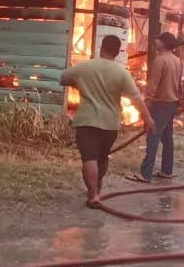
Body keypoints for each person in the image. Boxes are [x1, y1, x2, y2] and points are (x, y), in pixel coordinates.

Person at [60, 34, 153, 207]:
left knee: (89, 158)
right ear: (118, 53)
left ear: (101, 48)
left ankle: (93, 194)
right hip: (110, 123)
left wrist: (81, 83)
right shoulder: (121, 72)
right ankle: (97, 187)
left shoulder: (85, 67)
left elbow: (63, 78)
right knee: (102, 158)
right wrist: (147, 118)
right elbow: (135, 97)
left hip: (87, 121)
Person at [129, 32, 182, 183]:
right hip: (172, 103)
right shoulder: (177, 60)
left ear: (163, 43)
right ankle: (166, 170)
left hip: (160, 105)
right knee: (167, 138)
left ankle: (146, 173)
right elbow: (180, 85)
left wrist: (146, 106)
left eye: (157, 39)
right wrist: (178, 102)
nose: (155, 41)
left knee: (153, 137)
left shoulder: (160, 61)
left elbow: (152, 87)